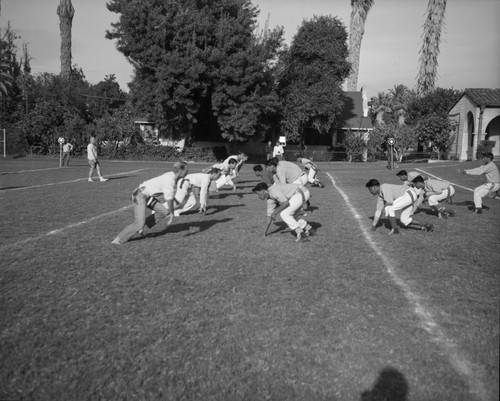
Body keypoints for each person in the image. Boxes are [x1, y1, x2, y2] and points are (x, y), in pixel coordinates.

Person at [111, 161, 188, 245]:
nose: (187, 172)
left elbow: (170, 195)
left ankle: (143, 225)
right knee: (139, 223)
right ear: (180, 171)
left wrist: (176, 202)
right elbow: (169, 199)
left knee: (164, 212)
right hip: (139, 195)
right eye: (186, 170)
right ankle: (118, 239)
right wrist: (172, 214)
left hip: (148, 196)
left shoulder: (172, 176)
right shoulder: (170, 180)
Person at [366, 177, 433, 234]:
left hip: (409, 195)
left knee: (389, 209)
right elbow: (378, 211)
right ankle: (426, 225)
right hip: (409, 197)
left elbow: (390, 201)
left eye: (370, 189)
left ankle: (395, 229)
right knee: (404, 220)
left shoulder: (383, 187)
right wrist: (373, 225)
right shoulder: (380, 196)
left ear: (374, 187)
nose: (370, 192)